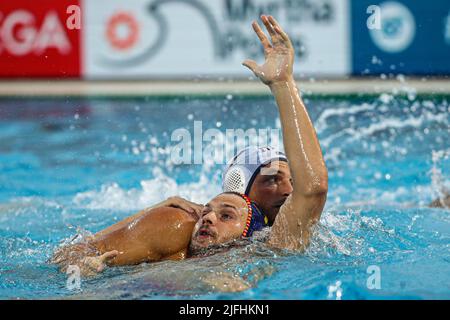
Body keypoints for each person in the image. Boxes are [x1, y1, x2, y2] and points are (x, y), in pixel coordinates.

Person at [51, 15, 328, 275]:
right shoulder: (180, 225)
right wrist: (82, 266)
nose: (289, 189)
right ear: (240, 188)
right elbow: (67, 257)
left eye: (292, 179)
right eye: (272, 180)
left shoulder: (276, 243)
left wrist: (283, 82)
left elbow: (313, 188)